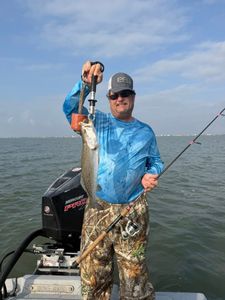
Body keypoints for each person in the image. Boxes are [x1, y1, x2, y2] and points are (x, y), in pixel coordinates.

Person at [63, 61, 164, 300]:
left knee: (134, 276)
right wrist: (86, 84)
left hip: (133, 208)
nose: (120, 98)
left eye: (125, 93)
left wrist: (152, 173)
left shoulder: (146, 131)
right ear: (108, 97)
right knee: (94, 275)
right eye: (114, 94)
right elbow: (70, 109)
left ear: (133, 96)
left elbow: (156, 161)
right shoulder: (96, 122)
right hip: (98, 206)